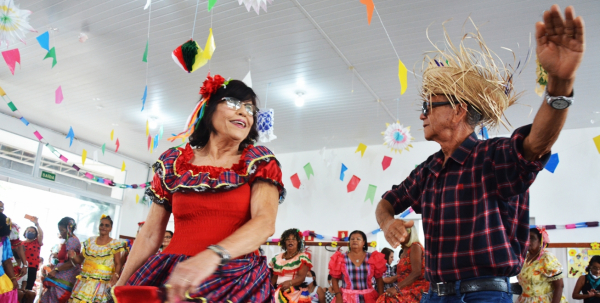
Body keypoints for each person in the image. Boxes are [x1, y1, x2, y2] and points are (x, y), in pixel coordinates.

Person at [375, 5, 585, 303]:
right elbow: (387, 202)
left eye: (428, 106)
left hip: (484, 295)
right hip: (435, 294)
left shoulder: (493, 156)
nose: (422, 115)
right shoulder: (428, 170)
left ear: (458, 111)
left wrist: (560, 85)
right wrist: (386, 223)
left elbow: (536, 144)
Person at [113, 75, 286, 303]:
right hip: (172, 273)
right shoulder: (173, 162)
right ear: (209, 107)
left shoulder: (259, 161)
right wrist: (120, 285)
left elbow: (265, 223)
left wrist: (212, 256)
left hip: (234, 280)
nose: (245, 112)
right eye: (234, 103)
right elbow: (151, 234)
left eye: (250, 109)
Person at [68, 215, 126, 303]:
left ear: (111, 228)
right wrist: (73, 256)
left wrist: (116, 274)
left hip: (103, 283)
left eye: (107, 225)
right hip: (86, 280)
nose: (103, 227)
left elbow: (118, 263)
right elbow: (79, 259)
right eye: (101, 225)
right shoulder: (90, 241)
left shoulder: (114, 244)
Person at [329, 230, 386, 303]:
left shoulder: (372, 257)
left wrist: (381, 297)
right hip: (346, 298)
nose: (355, 240)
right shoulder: (341, 258)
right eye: (352, 239)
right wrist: (338, 296)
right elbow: (334, 279)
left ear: (363, 242)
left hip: (368, 297)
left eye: (358, 239)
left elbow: (379, 279)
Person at [377, 225, 428, 303]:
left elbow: (416, 272)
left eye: (401, 233)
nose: (397, 236)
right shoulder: (405, 249)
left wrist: (396, 288)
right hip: (405, 288)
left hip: (416, 288)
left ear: (410, 233)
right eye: (396, 234)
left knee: (386, 300)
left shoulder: (415, 246)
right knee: (384, 298)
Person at [517, 227, 567, 303]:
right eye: (526, 238)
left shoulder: (547, 257)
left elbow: (559, 286)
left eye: (532, 238)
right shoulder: (524, 259)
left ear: (541, 241)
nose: (528, 241)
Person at [40, 217, 81, 303]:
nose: (61, 233)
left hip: (65, 276)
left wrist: (56, 270)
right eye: (60, 230)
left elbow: (72, 262)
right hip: (62, 274)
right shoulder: (69, 240)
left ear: (69, 229)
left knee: (54, 299)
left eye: (62, 230)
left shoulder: (71, 240)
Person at [270, 228, 312, 303]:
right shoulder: (278, 257)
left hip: (295, 293)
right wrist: (269, 289)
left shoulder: (302, 257)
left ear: (298, 241)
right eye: (288, 239)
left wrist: (289, 283)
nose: (290, 241)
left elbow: (301, 278)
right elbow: (274, 277)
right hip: (279, 291)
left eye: (293, 239)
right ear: (284, 242)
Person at [0, 201, 29, 273]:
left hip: (4, 262)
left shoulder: (10, 226)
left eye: (1, 207)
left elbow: (19, 247)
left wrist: (25, 265)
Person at [0, 213, 18, 302]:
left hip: (0, 276)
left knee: (8, 293)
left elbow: (7, 261)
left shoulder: (4, 240)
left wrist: (13, 278)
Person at [23, 216, 44, 291]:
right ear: (25, 233)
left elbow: (41, 235)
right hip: (21, 267)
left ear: (36, 235)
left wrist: (37, 224)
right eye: (28, 231)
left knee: (28, 288)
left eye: (33, 232)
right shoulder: (20, 243)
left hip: (32, 267)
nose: (30, 233)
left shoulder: (37, 243)